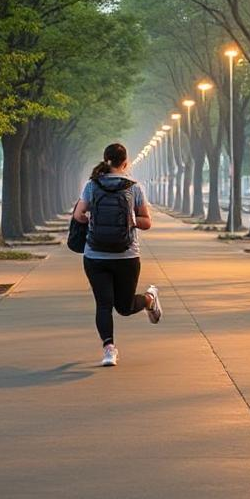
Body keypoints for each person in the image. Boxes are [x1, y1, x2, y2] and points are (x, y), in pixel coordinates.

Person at [73, 142, 162, 367]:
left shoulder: (91, 186)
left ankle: (150, 298)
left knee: (116, 306)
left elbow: (78, 215)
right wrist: (130, 220)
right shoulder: (135, 188)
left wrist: (94, 220)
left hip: (96, 254)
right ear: (125, 163)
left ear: (105, 159)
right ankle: (109, 347)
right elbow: (146, 222)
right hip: (126, 255)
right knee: (113, 305)